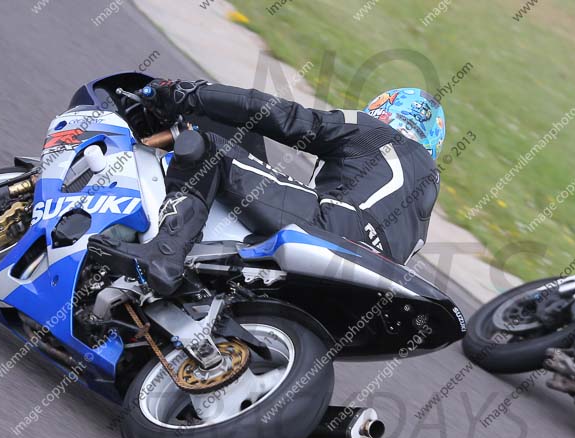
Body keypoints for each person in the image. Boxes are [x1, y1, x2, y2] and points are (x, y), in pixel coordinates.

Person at [88, 80, 446, 296]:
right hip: (365, 286)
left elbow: (287, 118)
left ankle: (164, 254)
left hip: (332, 230)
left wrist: (188, 94)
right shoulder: (426, 199)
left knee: (209, 150)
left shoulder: (375, 131)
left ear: (383, 111)